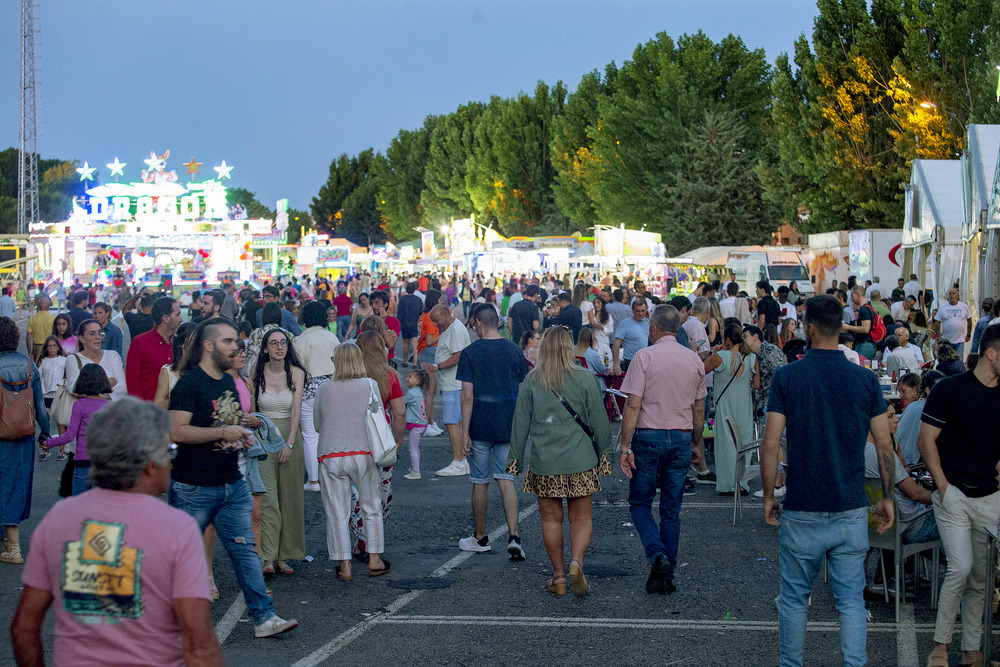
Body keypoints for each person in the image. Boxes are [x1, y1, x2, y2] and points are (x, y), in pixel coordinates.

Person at [11, 398, 223, 666]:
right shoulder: (177, 529)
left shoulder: (59, 518)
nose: (170, 458)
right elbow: (199, 646)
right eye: (168, 449)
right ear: (148, 462)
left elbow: (24, 629)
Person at [760, 294, 893, 667]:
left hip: (803, 505)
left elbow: (771, 445)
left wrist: (768, 496)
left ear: (810, 327)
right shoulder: (865, 379)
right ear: (840, 329)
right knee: (851, 600)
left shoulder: (788, 376)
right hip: (850, 505)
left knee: (794, 598)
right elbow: (884, 444)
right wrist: (886, 497)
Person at [167, 319, 298, 638]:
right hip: (193, 486)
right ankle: (160, 622)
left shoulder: (227, 382)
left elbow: (226, 419)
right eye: (228, 341)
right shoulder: (189, 384)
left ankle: (264, 617)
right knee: (177, 557)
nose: (235, 346)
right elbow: (176, 431)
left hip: (231, 482)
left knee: (245, 552)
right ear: (209, 346)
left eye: (236, 341)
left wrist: (241, 432)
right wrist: (224, 431)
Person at [918, 324, 1000, 667]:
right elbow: (926, 440)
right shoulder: (950, 389)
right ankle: (940, 646)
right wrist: (943, 486)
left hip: (989, 496)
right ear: (992, 353)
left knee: (981, 578)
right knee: (961, 568)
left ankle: (970, 651)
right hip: (953, 495)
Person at [508, 326, 612, 595]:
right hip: (581, 460)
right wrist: (606, 455)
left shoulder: (533, 380)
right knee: (581, 518)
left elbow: (520, 423)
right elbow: (600, 421)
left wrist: (515, 459)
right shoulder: (585, 377)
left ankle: (559, 576)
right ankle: (577, 563)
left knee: (551, 521)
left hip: (546, 463)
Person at [619, 305, 706, 595]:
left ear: (654, 328)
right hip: (680, 437)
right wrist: (696, 443)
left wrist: (624, 445)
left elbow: (633, 404)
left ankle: (657, 555)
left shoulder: (644, 357)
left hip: (648, 437)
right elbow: (698, 408)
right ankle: (666, 574)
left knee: (640, 503)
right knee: (671, 508)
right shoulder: (693, 359)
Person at [455, 306, 529, 558]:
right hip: (507, 425)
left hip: (480, 425)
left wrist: (464, 432)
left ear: (477, 323)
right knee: (506, 480)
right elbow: (522, 392)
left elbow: (467, 396)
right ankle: (515, 536)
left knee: (479, 481)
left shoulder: (469, 353)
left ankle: (481, 537)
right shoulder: (514, 350)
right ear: (498, 322)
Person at [314, 343, 391, 580]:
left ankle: (344, 564)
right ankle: (375, 558)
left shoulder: (324, 388)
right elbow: (378, 417)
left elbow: (318, 424)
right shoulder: (370, 385)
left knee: (337, 511)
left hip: (331, 454)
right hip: (364, 453)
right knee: (371, 506)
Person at [249, 327, 306, 576]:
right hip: (262, 437)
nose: (280, 347)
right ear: (265, 348)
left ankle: (285, 555)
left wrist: (289, 443)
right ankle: (267, 557)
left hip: (288, 435)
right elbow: (251, 411)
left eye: (283, 342)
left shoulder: (296, 373)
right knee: (268, 498)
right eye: (274, 343)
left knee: (290, 497)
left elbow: (296, 412)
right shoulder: (256, 373)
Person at [0, 316, 51, 564]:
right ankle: (10, 539)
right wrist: (45, 433)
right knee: (16, 483)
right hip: (22, 432)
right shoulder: (28, 364)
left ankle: (13, 547)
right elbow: (40, 405)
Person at [704, 323, 760, 495]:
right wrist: (744, 383)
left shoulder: (720, 356)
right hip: (744, 405)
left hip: (725, 404)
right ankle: (742, 483)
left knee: (726, 443)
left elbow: (701, 370)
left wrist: (713, 353)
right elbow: (756, 384)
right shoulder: (752, 357)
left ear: (727, 340)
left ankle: (727, 484)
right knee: (744, 443)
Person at [43, 364, 112, 496]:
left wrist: (48, 443)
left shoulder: (79, 405)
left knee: (79, 503)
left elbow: (69, 436)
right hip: (102, 462)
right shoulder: (108, 406)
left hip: (83, 461)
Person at [293, 301, 339, 493]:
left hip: (309, 389)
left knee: (310, 437)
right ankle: (334, 476)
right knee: (331, 434)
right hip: (333, 388)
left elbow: (296, 370)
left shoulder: (300, 340)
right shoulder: (332, 338)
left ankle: (313, 481)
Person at [423, 304, 471, 477]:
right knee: (456, 422)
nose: (436, 325)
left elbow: (459, 355)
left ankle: (458, 461)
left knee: (452, 422)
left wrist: (438, 366)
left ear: (445, 315)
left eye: (436, 321)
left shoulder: (455, 330)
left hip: (454, 384)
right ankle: (462, 460)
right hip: (453, 384)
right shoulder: (452, 328)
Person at [126, 296, 180, 401]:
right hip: (150, 412)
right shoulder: (140, 343)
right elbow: (133, 382)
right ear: (166, 318)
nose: (181, 319)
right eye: (177, 315)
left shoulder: (179, 342)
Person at [66, 320, 127, 401]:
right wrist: (108, 382)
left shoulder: (113, 355)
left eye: (100, 333)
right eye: (92, 334)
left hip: (111, 410)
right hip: (86, 410)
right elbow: (74, 388)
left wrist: (91, 391)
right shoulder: (73, 359)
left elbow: (122, 387)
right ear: (81, 338)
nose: (97, 337)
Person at [896, 370, 943, 467]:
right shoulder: (927, 410)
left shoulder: (914, 406)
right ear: (928, 390)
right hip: (911, 463)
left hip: (901, 460)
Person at [416, 290, 443, 437]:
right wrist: (443, 334)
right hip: (428, 353)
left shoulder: (423, 316)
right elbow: (430, 340)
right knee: (430, 391)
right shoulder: (429, 318)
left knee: (429, 391)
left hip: (423, 353)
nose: (441, 302)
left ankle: (431, 422)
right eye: (439, 300)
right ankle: (428, 423)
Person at [402, 369, 429, 479]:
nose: (407, 378)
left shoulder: (411, 393)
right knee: (416, 448)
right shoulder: (419, 392)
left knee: (412, 448)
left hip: (416, 425)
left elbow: (401, 402)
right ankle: (415, 467)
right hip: (423, 424)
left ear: (417, 381)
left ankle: (416, 472)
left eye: (410, 377)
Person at [612, 299, 649, 375]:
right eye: (637, 311)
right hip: (631, 360)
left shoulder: (648, 322)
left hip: (646, 360)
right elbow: (617, 343)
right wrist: (616, 363)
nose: (640, 313)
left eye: (643, 311)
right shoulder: (625, 323)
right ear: (632, 311)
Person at [933, 287, 972, 358]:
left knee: (958, 359)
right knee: (946, 359)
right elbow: (937, 321)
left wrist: (968, 334)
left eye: (953, 293)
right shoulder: (943, 307)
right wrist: (938, 335)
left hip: (960, 340)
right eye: (950, 294)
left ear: (957, 296)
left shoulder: (964, 307)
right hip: (947, 340)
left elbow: (969, 321)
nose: (951, 295)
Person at [369, 290, 401, 363]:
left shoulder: (394, 322)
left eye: (377, 303)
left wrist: (382, 323)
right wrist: (387, 334)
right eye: (372, 303)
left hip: (387, 360)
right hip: (370, 360)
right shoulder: (367, 321)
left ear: (385, 304)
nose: (374, 306)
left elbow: (390, 345)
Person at [397, 282, 423, 366]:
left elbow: (399, 313)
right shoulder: (418, 299)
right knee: (414, 342)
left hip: (405, 323)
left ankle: (405, 361)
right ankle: (415, 362)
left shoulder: (402, 299)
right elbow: (420, 311)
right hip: (414, 323)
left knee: (405, 342)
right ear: (414, 289)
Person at [26, 296, 55, 360]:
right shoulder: (53, 318)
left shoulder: (33, 318)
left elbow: (28, 337)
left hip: (37, 347)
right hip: (50, 346)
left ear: (38, 306)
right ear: (49, 305)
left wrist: (30, 352)